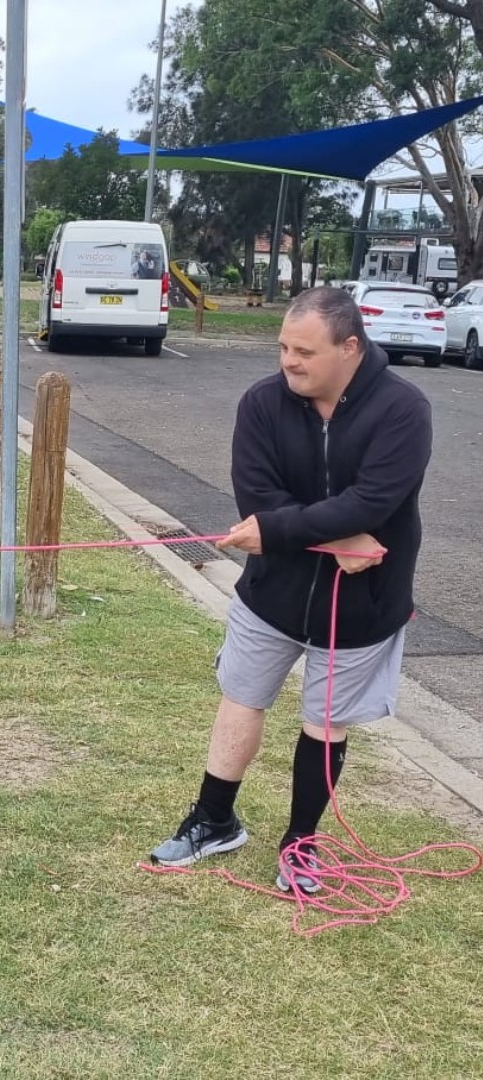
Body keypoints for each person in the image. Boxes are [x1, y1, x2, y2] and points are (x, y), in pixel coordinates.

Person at [149, 286, 432, 893]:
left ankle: (300, 844)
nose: (288, 361)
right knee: (241, 697)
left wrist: (281, 530)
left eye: (304, 350)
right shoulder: (261, 404)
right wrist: (333, 537)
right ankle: (214, 819)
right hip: (271, 594)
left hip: (364, 603)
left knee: (325, 725)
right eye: (282, 347)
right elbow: (258, 499)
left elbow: (376, 500)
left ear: (350, 347)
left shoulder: (404, 409)